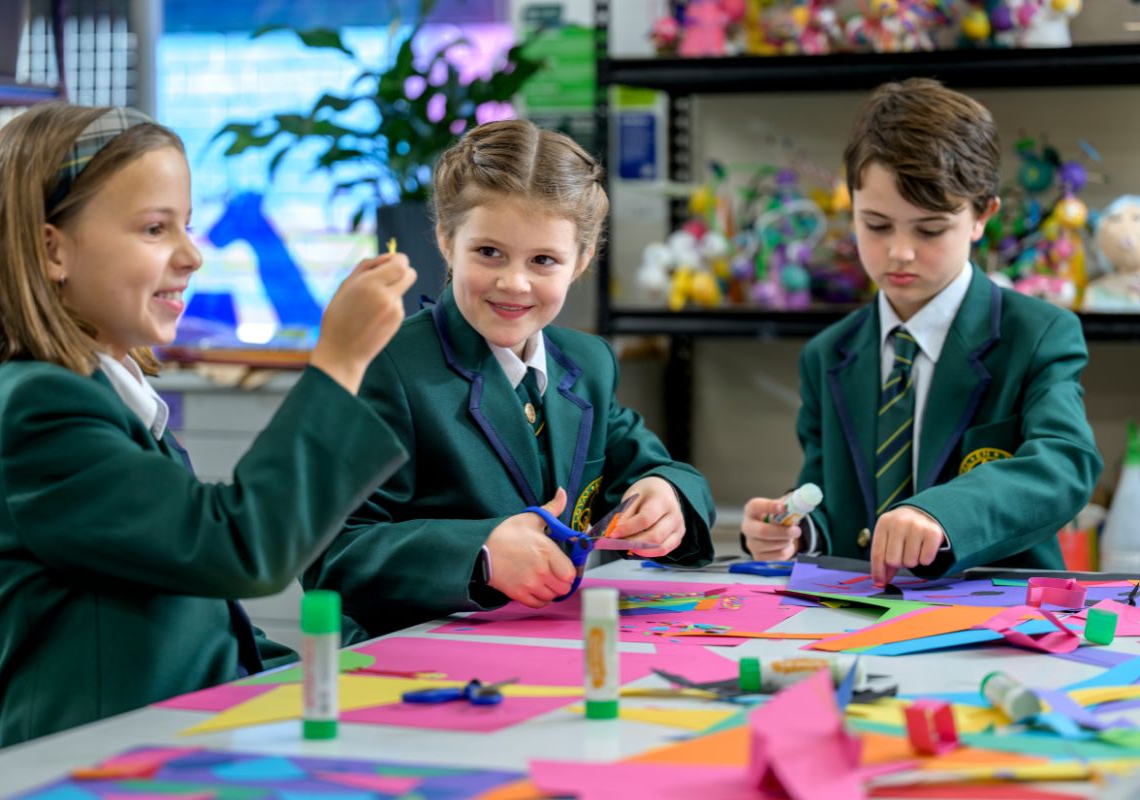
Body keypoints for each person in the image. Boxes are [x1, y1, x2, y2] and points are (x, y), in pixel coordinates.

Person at [0, 103, 415, 748]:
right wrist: (339, 362)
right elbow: (237, 550)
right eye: (154, 229)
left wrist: (341, 679)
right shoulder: (44, 408)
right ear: (51, 249)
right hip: (92, 767)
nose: (193, 255)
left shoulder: (112, 397)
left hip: (169, 743)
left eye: (189, 227)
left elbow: (202, 618)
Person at [302, 119, 715, 638]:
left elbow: (657, 469)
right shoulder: (386, 363)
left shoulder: (588, 364)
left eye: (544, 260)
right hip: (414, 660)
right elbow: (329, 553)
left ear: (581, 261)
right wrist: (480, 554)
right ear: (446, 240)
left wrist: (665, 496)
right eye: (489, 252)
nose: (513, 282)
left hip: (552, 646)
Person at [741, 79, 1102, 586]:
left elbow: (1065, 465)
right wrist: (798, 532)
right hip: (857, 617)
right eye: (877, 225)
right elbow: (829, 498)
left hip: (996, 623)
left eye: (930, 229)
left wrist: (942, 515)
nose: (900, 252)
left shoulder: (1038, 334)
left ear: (982, 216)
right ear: (851, 205)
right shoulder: (829, 354)